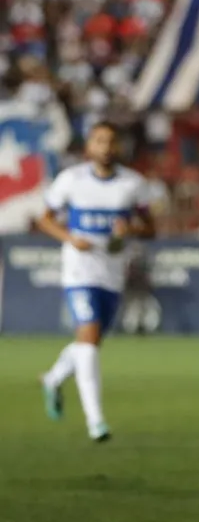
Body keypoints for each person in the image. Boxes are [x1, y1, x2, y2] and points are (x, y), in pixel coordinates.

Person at [36, 121, 156, 441]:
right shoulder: (71, 180)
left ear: (119, 147)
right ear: (89, 146)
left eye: (111, 141)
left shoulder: (133, 184)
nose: (105, 147)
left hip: (112, 272)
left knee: (89, 343)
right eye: (99, 141)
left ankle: (52, 379)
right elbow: (45, 218)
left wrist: (129, 231)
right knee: (88, 337)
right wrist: (69, 238)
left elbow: (151, 228)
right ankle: (96, 421)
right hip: (78, 270)